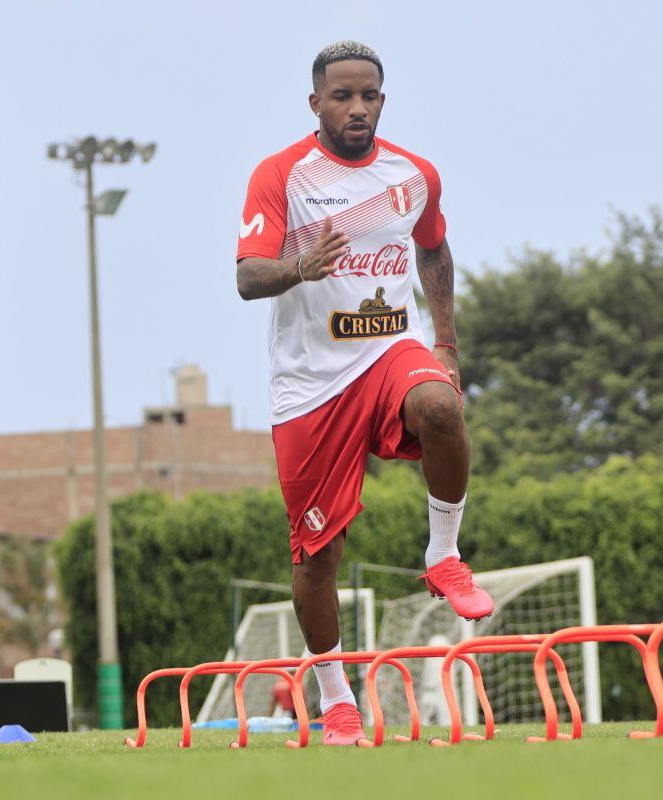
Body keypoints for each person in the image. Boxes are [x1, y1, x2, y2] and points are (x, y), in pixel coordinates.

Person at [235, 40, 494, 746]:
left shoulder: (413, 175)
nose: (357, 108)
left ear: (383, 99)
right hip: (311, 384)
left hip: (387, 351)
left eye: (369, 95)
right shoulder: (281, 175)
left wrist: (444, 342)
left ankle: (444, 554)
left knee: (439, 406)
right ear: (315, 102)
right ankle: (336, 693)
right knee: (317, 557)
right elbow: (248, 277)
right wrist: (297, 268)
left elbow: (434, 248)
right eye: (342, 96)